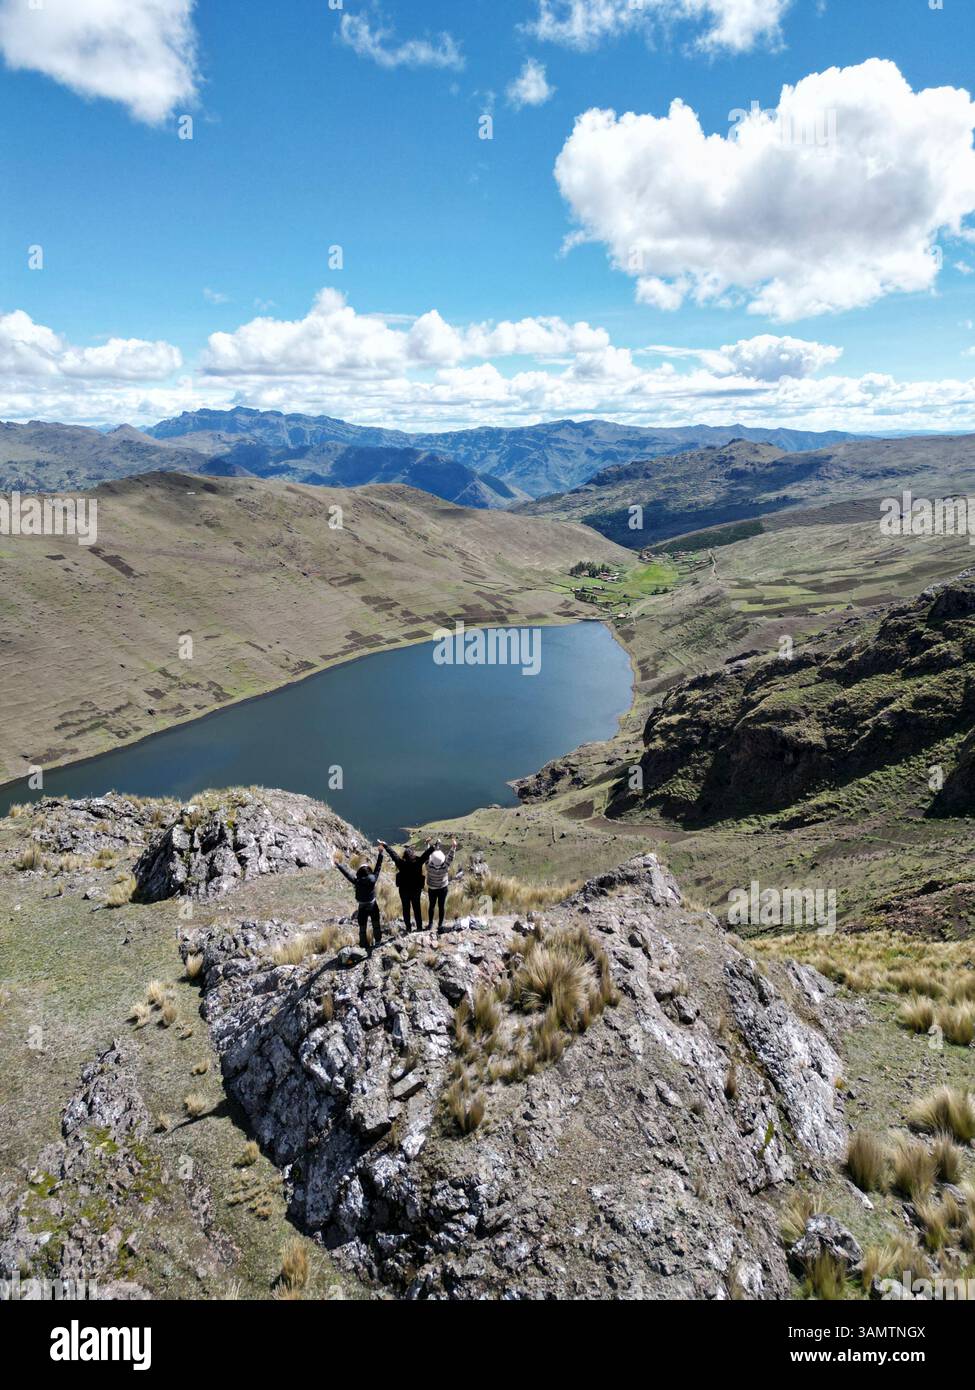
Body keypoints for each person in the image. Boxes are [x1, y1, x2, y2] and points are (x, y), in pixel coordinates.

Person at [333, 846, 384, 952]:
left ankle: (363, 945)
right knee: (375, 923)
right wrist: (380, 854)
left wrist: (338, 864)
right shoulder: (373, 879)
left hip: (362, 906)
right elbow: (378, 867)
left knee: (362, 926)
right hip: (373, 904)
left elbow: (347, 874)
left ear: (360, 873)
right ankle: (378, 942)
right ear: (369, 871)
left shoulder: (357, 881)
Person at [378, 839, 432, 932]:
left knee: (406, 909)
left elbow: (393, 854)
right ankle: (419, 927)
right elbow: (425, 855)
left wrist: (386, 845)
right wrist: (434, 847)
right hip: (416, 890)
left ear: (405, 856)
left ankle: (408, 928)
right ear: (413, 855)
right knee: (417, 908)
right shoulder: (418, 862)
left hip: (404, 891)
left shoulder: (401, 863)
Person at [425, 838, 457, 930]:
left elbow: (426, 855)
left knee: (431, 906)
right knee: (441, 906)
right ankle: (440, 924)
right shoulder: (445, 866)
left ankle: (430, 923)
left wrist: (427, 844)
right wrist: (453, 847)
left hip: (432, 888)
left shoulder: (429, 866)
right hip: (443, 888)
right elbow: (450, 857)